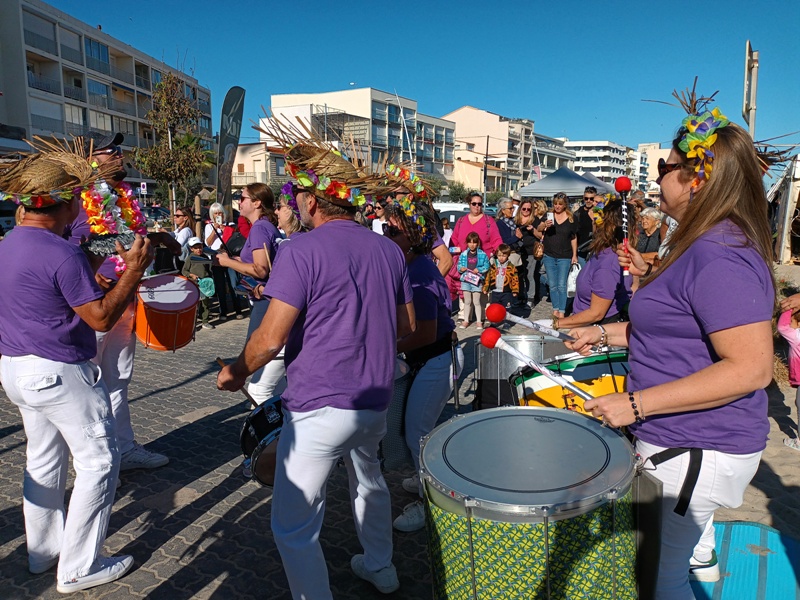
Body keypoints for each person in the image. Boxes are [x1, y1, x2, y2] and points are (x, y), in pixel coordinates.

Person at [572, 97, 774, 598]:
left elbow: (751, 368)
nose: (659, 177)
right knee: (661, 573)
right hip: (680, 440)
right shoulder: (697, 243)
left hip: (695, 444)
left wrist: (636, 403)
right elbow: (673, 328)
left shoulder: (720, 253)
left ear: (696, 179)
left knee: (659, 582)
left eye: (666, 168)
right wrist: (601, 334)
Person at [218, 125, 415, 598]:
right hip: (373, 400)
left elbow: (269, 339)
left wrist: (235, 372)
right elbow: (406, 326)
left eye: (297, 198)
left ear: (311, 201)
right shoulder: (389, 250)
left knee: (294, 526)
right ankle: (381, 566)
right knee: (369, 481)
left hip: (319, 407)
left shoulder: (300, 250)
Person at [0, 139, 155, 592]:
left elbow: (47, 291)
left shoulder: (9, 244)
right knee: (99, 460)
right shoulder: (59, 252)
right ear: (66, 203)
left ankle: (42, 552)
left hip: (16, 368)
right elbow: (101, 317)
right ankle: (78, 567)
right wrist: (133, 271)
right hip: (58, 372)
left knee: (43, 459)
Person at [64, 131, 175, 471]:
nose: (118, 154)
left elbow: (126, 240)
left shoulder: (123, 196)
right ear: (90, 160)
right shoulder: (76, 198)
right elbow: (60, 248)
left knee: (119, 377)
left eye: (118, 149)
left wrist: (157, 238)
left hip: (125, 298)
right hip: (92, 304)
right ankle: (93, 461)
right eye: (109, 150)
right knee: (89, 381)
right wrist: (86, 273)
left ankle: (123, 450)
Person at [382, 200, 463, 533]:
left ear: (413, 235)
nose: (386, 234)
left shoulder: (418, 273)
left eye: (393, 231)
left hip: (436, 358)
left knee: (418, 432)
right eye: (385, 228)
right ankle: (423, 479)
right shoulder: (415, 266)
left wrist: (385, 348)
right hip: (430, 358)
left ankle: (431, 504)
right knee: (415, 430)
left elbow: (425, 333)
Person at [546, 198, 632, 329]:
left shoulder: (608, 264)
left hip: (595, 331)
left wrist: (554, 324)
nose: (593, 222)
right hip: (586, 328)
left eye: (596, 218)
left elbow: (596, 313)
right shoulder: (603, 253)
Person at [204, 202, 244, 321]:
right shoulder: (209, 226)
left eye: (220, 212)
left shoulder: (230, 225)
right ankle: (223, 311)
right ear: (212, 215)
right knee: (220, 286)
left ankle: (238, 309)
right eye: (215, 213)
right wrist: (214, 230)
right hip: (217, 258)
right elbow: (208, 243)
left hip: (229, 258)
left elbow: (235, 240)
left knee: (233, 283)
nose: (218, 215)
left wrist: (225, 229)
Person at [542, 192, 578, 319]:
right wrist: (544, 225)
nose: (557, 206)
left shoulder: (571, 218)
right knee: (552, 284)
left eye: (560, 204)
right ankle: (555, 309)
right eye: (555, 204)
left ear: (565, 205)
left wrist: (574, 255)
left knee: (562, 285)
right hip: (549, 255)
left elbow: (573, 238)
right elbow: (539, 229)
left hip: (565, 255)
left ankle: (562, 311)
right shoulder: (548, 216)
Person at [516, 198, 546, 305]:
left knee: (529, 275)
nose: (526, 211)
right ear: (520, 208)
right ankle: (520, 296)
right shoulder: (516, 220)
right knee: (519, 275)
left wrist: (533, 230)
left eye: (528, 209)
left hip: (531, 251)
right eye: (524, 208)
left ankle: (530, 298)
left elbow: (540, 236)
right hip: (518, 251)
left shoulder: (535, 220)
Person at [777, 307, 800, 450]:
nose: (789, 324)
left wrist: (789, 307)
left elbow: (782, 327)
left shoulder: (796, 337)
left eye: (792, 321)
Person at [457, 232, 490, 329]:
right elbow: (459, 265)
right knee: (467, 301)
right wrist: (461, 268)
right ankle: (466, 320)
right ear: (467, 243)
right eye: (470, 242)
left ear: (477, 243)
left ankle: (479, 321)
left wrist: (479, 270)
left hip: (476, 281)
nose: (472, 245)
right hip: (466, 280)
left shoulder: (482, 254)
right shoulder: (464, 254)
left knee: (477, 301)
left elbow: (487, 265)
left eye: (474, 242)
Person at [182, 237, 214, 330]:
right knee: (195, 305)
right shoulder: (190, 258)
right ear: (191, 249)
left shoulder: (205, 257)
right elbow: (184, 271)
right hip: (194, 284)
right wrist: (191, 275)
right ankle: (193, 324)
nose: (198, 249)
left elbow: (209, 270)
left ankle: (205, 321)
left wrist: (210, 280)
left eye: (200, 247)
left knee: (205, 303)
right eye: (196, 248)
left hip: (205, 284)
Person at [483, 243, 520, 308]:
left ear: (508, 255)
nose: (501, 258)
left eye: (504, 256)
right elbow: (488, 277)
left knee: (506, 308)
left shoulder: (511, 267)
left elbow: (515, 279)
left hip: (506, 292)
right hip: (495, 291)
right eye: (499, 255)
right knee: (495, 308)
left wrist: (515, 290)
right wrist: (486, 288)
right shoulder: (494, 266)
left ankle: (506, 315)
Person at [575, 187, 596, 266]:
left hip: (595, 249)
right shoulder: (578, 213)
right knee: (583, 272)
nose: (588, 201)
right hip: (581, 249)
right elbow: (574, 233)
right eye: (586, 198)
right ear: (583, 198)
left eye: (591, 199)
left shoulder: (599, 213)